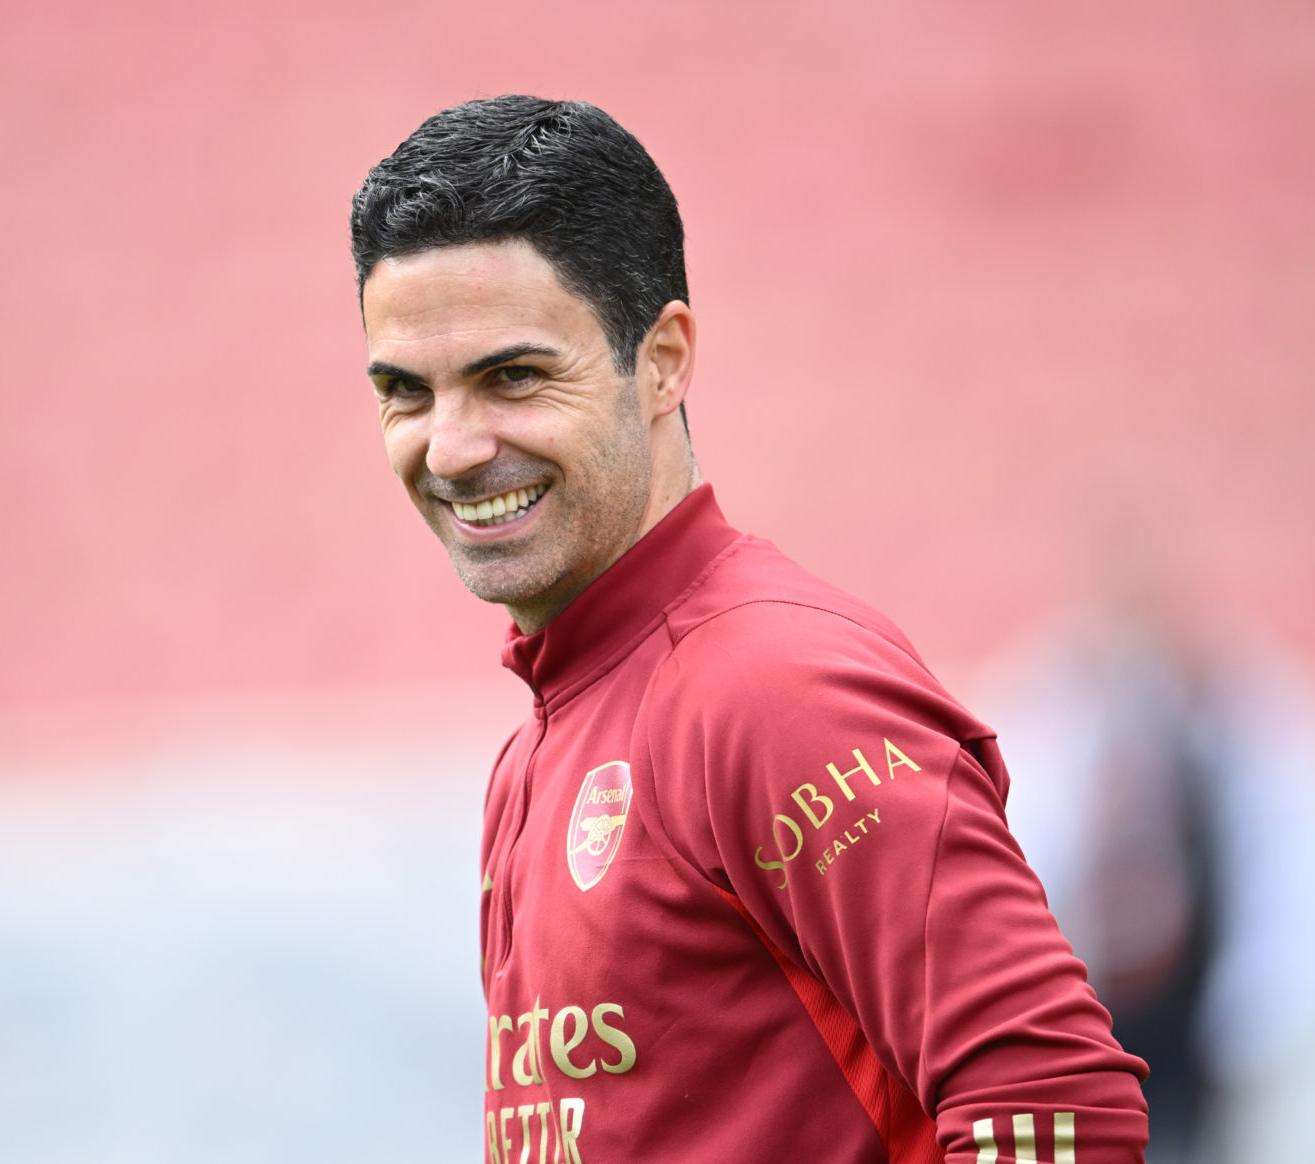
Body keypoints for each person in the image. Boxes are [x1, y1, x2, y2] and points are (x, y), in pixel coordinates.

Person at [349, 96, 1149, 1164]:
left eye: (514, 377)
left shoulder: (774, 688)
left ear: (666, 359)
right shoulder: (536, 751)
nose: (450, 448)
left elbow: (1058, 1108)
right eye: (408, 392)